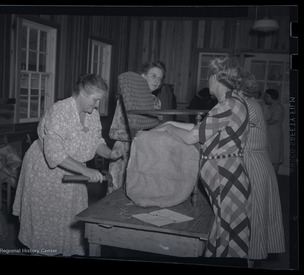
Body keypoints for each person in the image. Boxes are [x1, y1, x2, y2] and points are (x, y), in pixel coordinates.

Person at [12, 74, 123, 256]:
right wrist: (85, 170)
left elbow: (96, 140)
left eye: (99, 101)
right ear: (82, 92)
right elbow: (54, 154)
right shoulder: (60, 111)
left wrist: (110, 153)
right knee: (46, 226)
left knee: (68, 223)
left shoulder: (92, 114)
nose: (97, 106)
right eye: (95, 100)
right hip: (45, 172)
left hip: (72, 173)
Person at [153, 57, 251, 259]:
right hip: (227, 178)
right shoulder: (232, 103)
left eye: (209, 77)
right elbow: (201, 130)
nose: (208, 82)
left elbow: (191, 137)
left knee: (229, 242)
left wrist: (169, 127)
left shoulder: (227, 105)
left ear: (216, 77)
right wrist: (167, 125)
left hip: (227, 179)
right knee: (225, 235)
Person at [237, 71, 285, 267]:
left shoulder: (246, 105)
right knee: (257, 212)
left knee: (253, 213)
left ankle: (249, 257)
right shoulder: (254, 103)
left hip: (254, 161)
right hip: (259, 160)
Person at [107, 61, 166, 194]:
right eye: (153, 76)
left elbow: (158, 129)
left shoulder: (156, 102)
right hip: (122, 153)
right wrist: (139, 135)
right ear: (142, 76)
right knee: (115, 196)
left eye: (160, 78)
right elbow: (113, 132)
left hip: (144, 155)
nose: (157, 81)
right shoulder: (126, 99)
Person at [264, 88, 285, 174]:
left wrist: (261, 123)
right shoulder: (272, 106)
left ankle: (274, 179)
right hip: (271, 134)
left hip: (275, 134)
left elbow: (274, 120)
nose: (265, 98)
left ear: (272, 97)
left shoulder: (277, 107)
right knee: (271, 156)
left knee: (275, 157)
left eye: (267, 96)